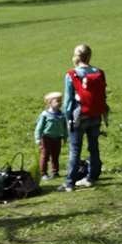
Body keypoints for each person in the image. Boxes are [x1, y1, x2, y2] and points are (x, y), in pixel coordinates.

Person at [60, 43, 108, 192]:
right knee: (94, 147)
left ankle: (69, 183)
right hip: (95, 114)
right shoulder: (99, 72)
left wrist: (67, 119)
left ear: (76, 56)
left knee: (75, 149)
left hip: (79, 115)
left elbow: (68, 102)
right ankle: (91, 177)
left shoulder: (72, 74)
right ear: (89, 56)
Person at [34, 91, 68, 180]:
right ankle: (43, 173)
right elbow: (39, 127)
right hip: (46, 138)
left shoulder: (62, 115)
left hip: (57, 138)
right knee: (45, 155)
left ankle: (55, 172)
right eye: (57, 101)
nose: (59, 103)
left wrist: (65, 137)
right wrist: (38, 138)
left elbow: (65, 127)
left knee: (55, 155)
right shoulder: (45, 115)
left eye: (61, 101)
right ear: (50, 103)